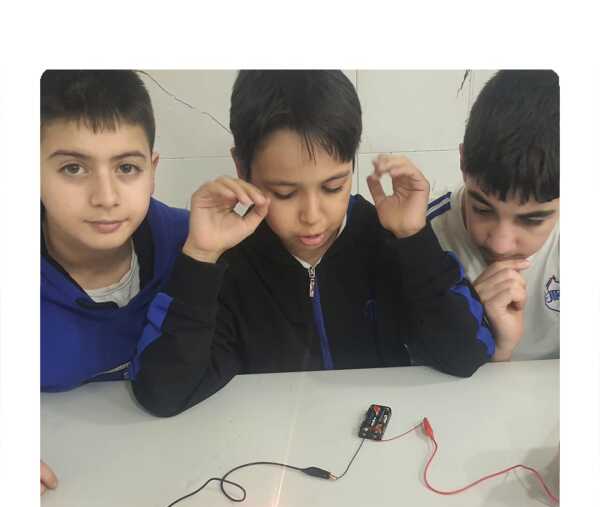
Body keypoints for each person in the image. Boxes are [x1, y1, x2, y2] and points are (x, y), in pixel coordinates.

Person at [131, 70, 494, 418]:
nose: (312, 216)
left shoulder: (387, 242)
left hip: (373, 440)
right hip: (265, 446)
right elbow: (163, 394)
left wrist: (415, 239)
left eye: (333, 187)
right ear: (242, 168)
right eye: (285, 193)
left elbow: (467, 354)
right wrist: (200, 258)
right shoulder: (228, 264)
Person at [41, 70, 189, 491]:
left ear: (152, 170)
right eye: (73, 168)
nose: (105, 197)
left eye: (127, 167)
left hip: (181, 473)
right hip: (65, 490)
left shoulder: (193, 244)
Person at [428, 70, 559, 361]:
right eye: (482, 209)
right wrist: (491, 344)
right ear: (463, 162)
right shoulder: (423, 239)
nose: (500, 244)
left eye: (532, 220)